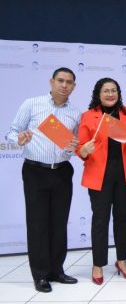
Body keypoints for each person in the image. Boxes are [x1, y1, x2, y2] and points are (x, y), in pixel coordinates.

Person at [6, 67, 80, 293]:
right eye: (60, 80)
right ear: (51, 82)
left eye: (69, 82)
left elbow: (73, 145)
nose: (64, 85)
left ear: (74, 87)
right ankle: (39, 275)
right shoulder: (32, 104)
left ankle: (56, 270)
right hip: (35, 171)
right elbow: (11, 131)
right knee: (38, 224)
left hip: (62, 171)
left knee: (59, 222)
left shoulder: (75, 113)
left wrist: (73, 148)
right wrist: (19, 138)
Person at [76, 78, 126, 285]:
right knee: (100, 219)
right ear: (98, 94)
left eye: (114, 90)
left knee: (122, 218)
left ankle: (121, 261)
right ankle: (97, 264)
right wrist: (84, 151)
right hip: (99, 174)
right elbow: (81, 147)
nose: (110, 94)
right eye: (106, 91)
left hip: (124, 172)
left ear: (119, 93)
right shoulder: (88, 116)